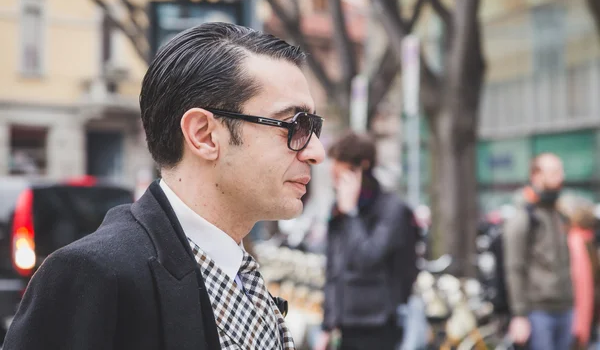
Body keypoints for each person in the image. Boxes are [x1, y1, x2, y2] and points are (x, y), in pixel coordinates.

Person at [4, 22, 326, 350]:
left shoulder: (237, 269)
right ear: (203, 134)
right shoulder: (94, 276)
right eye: (295, 125)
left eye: (314, 127)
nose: (316, 151)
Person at [315, 132, 418, 350]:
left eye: (341, 169)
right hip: (345, 327)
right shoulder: (339, 209)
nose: (335, 176)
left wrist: (351, 213)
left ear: (362, 167)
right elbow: (334, 271)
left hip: (378, 325)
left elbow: (368, 257)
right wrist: (327, 326)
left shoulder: (392, 210)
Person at [504, 153, 573, 350]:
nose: (560, 177)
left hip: (565, 308)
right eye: (553, 172)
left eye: (560, 171)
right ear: (536, 176)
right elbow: (514, 267)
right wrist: (519, 315)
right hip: (538, 312)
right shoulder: (525, 217)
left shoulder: (559, 214)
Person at [558, 195, 600, 349]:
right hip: (586, 318)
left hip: (581, 318)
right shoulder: (584, 241)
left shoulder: (577, 241)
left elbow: (583, 287)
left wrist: (580, 327)